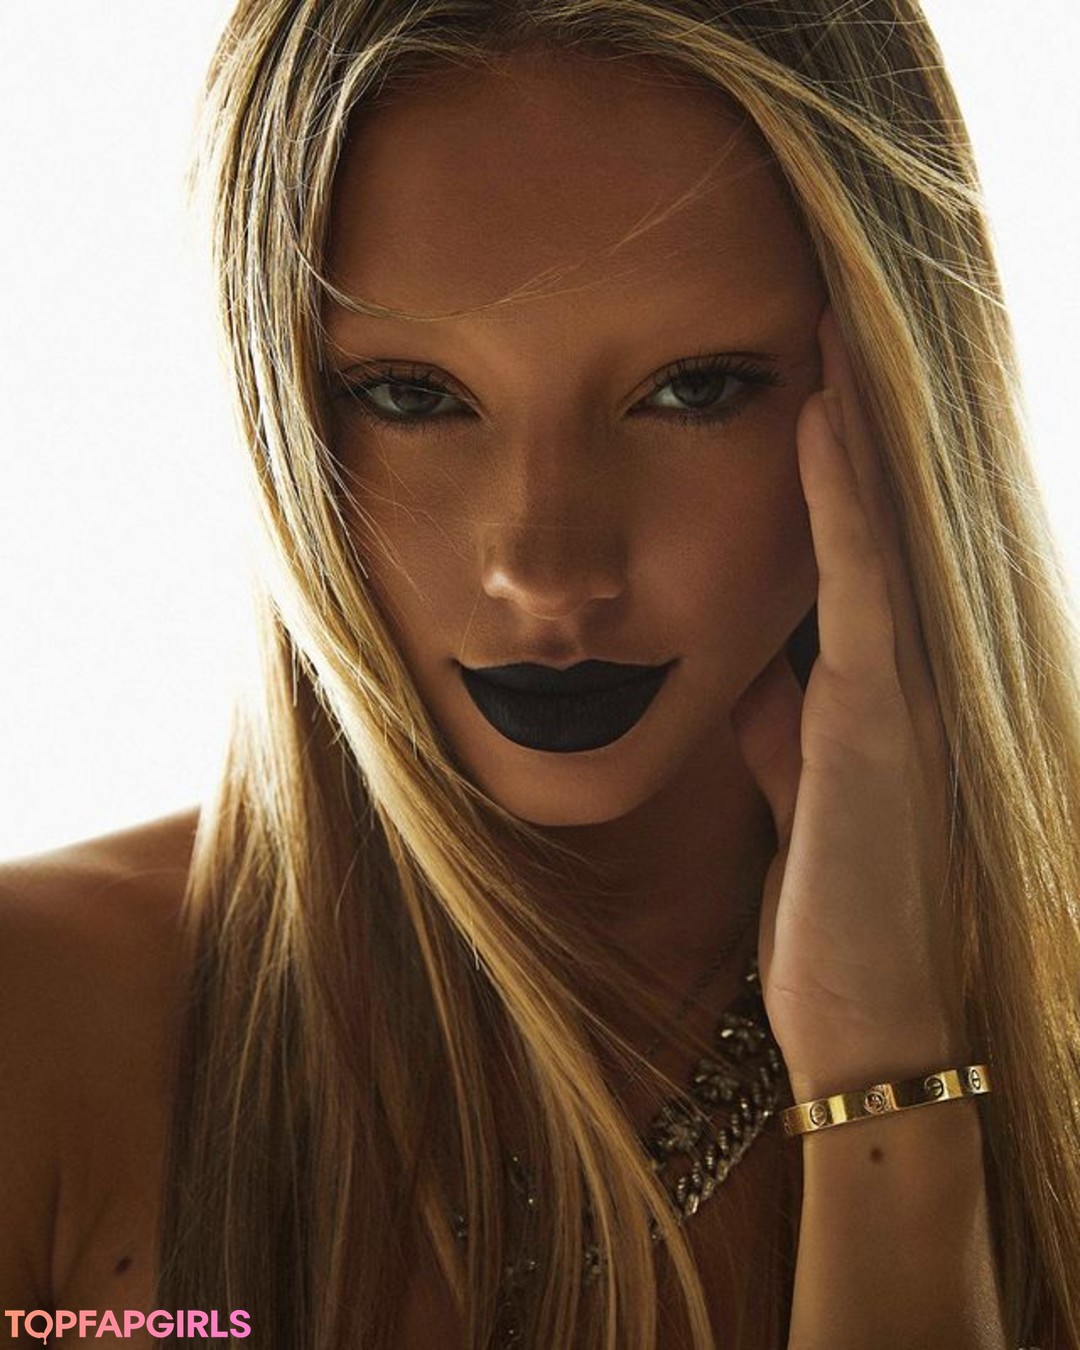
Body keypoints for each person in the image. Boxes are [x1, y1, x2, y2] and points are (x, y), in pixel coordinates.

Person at [1, 1, 1078, 1347]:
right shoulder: (33, 1022)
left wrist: (888, 1065)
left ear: (907, 394)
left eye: (693, 390)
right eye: (413, 396)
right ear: (275, 408)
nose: (548, 571)